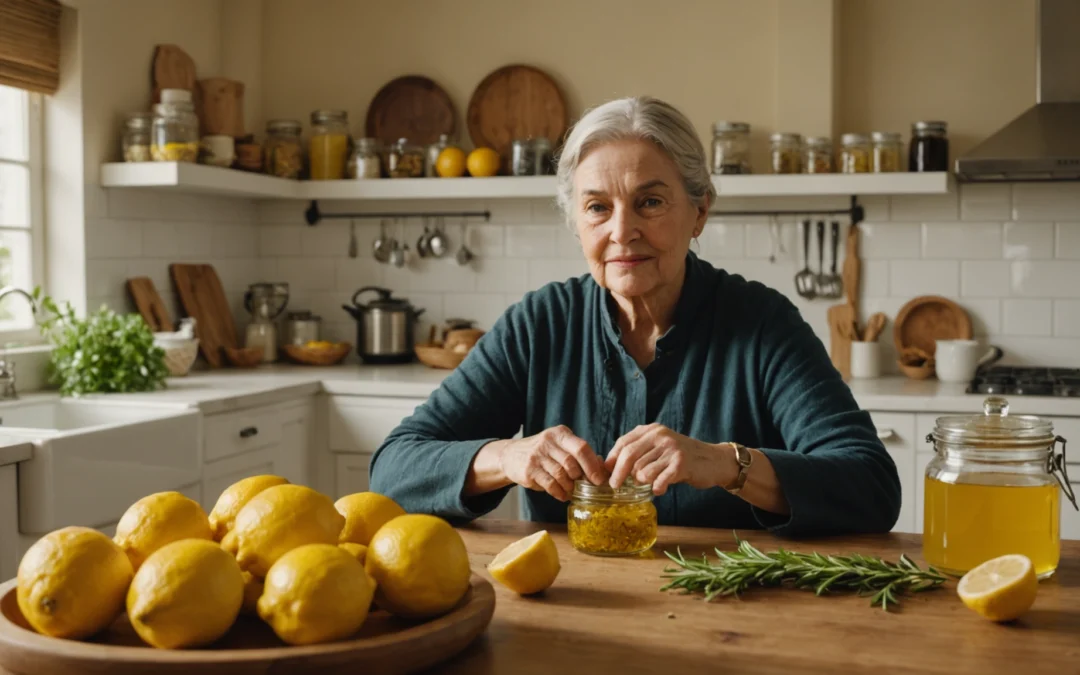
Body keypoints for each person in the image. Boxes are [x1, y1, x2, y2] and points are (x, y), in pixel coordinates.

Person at [370, 96, 900, 536]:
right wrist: (506, 458)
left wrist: (724, 464)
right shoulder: (540, 324)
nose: (622, 232)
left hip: (731, 613)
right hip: (574, 607)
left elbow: (872, 485)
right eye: (598, 207)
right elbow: (394, 470)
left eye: (649, 202)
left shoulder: (762, 324)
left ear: (700, 211)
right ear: (576, 222)